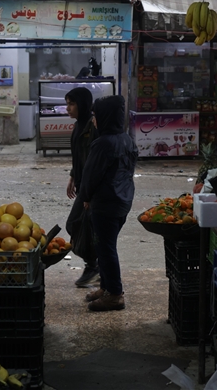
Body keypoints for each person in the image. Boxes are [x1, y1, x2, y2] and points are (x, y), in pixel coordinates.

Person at [77, 95, 138, 311]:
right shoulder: (127, 139)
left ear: (104, 117)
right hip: (122, 201)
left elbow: (90, 175)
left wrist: (85, 196)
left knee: (106, 248)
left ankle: (114, 294)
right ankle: (106, 286)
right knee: (104, 246)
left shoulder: (102, 144)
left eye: (96, 116)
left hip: (105, 203)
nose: (93, 120)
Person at [64, 87, 99, 287]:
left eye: (72, 103)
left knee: (75, 225)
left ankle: (94, 266)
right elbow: (79, 157)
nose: (68, 108)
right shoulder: (79, 126)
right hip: (83, 184)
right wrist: (72, 176)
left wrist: (87, 194)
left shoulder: (91, 127)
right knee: (82, 226)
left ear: (83, 104)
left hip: (91, 188)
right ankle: (94, 265)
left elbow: (93, 161)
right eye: (67, 103)